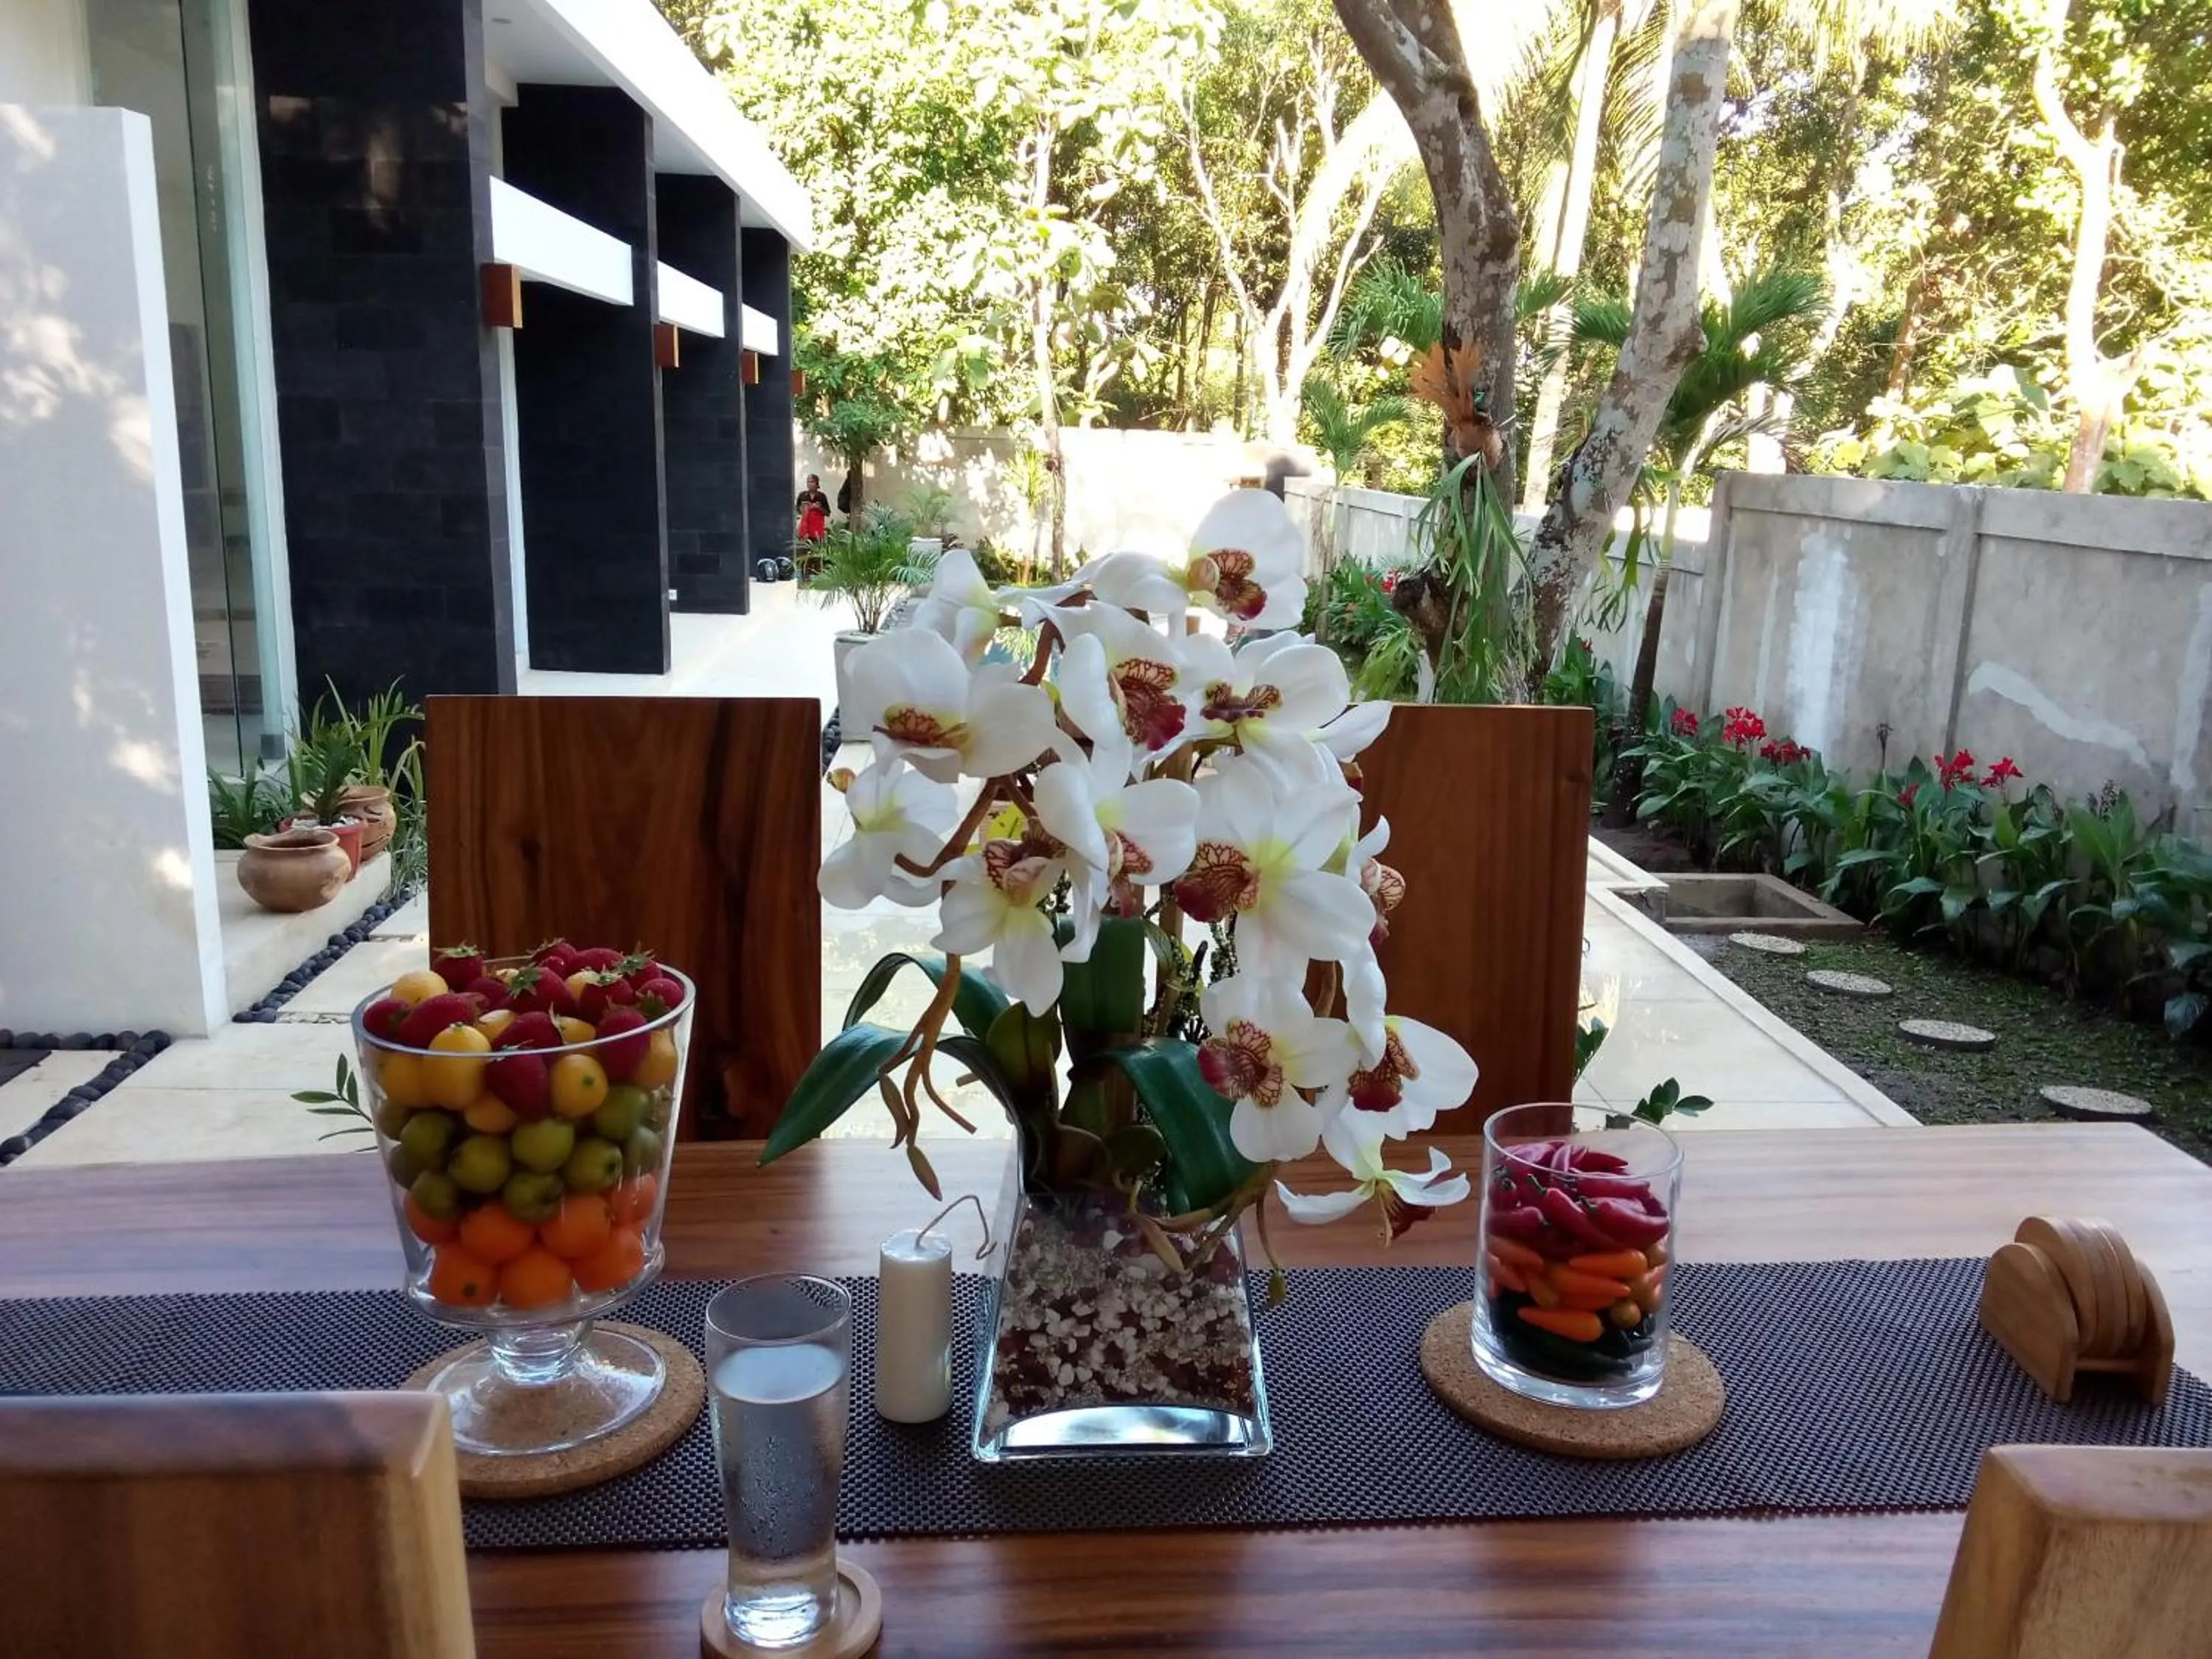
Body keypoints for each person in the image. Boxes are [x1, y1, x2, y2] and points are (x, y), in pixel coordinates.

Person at [796, 474, 830, 543]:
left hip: (817, 531)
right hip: (805, 530)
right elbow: (797, 510)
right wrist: (802, 509)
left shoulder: (822, 496)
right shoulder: (802, 495)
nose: (809, 484)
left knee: (817, 550)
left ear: (817, 483)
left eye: (812, 482)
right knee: (804, 551)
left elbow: (827, 513)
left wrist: (818, 508)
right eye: (808, 482)